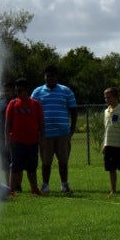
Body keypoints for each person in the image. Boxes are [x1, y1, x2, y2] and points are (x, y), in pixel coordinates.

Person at [31, 65, 78, 195]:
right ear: (44, 77)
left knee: (63, 161)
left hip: (63, 134)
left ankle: (64, 185)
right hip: (45, 134)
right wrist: (37, 131)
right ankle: (45, 185)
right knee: (46, 162)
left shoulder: (66, 91)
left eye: (52, 76)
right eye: (47, 76)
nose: (50, 78)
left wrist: (72, 129)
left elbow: (73, 111)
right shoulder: (37, 92)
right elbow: (32, 112)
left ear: (56, 77)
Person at [4, 78, 45, 196]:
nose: (17, 93)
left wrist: (43, 138)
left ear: (27, 91)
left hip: (32, 142)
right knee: (15, 167)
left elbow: (41, 122)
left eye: (20, 90)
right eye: (16, 91)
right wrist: (7, 139)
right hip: (17, 142)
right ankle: (11, 191)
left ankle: (34, 189)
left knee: (32, 167)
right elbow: (7, 123)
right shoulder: (12, 104)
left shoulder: (36, 104)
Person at [101, 87, 120, 194]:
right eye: (105, 97)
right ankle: (113, 190)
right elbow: (106, 129)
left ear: (116, 97)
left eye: (109, 97)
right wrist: (104, 144)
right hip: (109, 145)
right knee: (111, 169)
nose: (106, 100)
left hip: (119, 145)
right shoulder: (106, 111)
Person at [0, 82, 14, 183]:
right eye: (4, 91)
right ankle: (9, 184)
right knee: (6, 163)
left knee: (15, 162)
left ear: (13, 91)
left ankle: (17, 185)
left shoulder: (16, 102)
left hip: (15, 137)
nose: (6, 93)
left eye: (8, 91)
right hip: (1, 137)